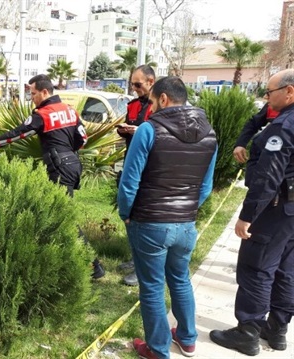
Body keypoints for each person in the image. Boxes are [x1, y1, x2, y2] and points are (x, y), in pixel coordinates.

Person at [118, 76, 217, 359]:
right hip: (186, 225)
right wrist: (185, 210)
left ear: (163, 99)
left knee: (151, 287)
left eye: (150, 101)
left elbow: (129, 182)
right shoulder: (210, 133)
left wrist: (127, 214)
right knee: (180, 279)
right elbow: (206, 187)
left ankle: (158, 349)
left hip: (149, 223)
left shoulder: (148, 130)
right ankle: (187, 339)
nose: (149, 108)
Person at [0, 74, 105, 279]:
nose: (31, 97)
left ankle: (93, 267)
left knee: (64, 218)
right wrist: (68, 152)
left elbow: (17, 134)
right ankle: (65, 261)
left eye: (33, 93)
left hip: (59, 167)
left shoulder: (43, 114)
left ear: (45, 92)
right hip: (72, 163)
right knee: (56, 214)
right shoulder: (70, 110)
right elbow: (83, 138)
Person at [210, 69, 294, 356]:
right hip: (291, 211)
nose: (266, 97)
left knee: (257, 268)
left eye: (270, 92)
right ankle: (277, 330)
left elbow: (268, 178)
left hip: (275, 209)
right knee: (286, 270)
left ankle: (248, 332)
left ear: (289, 91)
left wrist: (247, 215)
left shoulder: (284, 126)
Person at [117, 64, 156, 287]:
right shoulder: (132, 106)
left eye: (138, 84)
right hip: (131, 162)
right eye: (132, 84)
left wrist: (140, 131)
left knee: (144, 217)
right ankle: (134, 258)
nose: (134, 88)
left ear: (151, 82)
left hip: (150, 167)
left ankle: (143, 267)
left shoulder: (159, 106)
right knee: (129, 213)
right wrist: (125, 131)